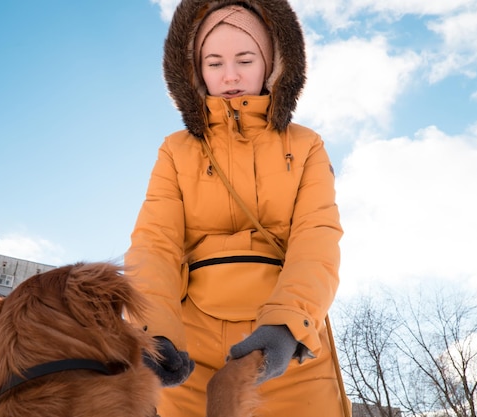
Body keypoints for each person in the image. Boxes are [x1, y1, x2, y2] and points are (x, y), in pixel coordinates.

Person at [125, 0, 346, 416]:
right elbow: (155, 243)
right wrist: (153, 333)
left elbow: (317, 238)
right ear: (194, 70)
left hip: (287, 345)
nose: (230, 76)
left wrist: (287, 326)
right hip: (188, 351)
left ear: (273, 63)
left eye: (245, 59)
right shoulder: (176, 151)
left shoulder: (306, 145)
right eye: (214, 62)